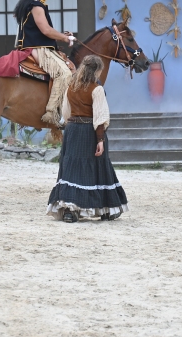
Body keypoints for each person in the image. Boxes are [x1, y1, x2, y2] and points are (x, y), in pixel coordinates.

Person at [46, 55, 129, 222]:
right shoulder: (97, 89)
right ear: (97, 71)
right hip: (89, 132)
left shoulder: (70, 88)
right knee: (97, 167)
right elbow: (100, 117)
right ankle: (105, 209)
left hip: (72, 131)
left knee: (72, 168)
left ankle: (70, 210)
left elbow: (66, 114)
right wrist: (100, 140)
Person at [13, 0, 73, 127]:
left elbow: (46, 30)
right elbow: (46, 30)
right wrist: (65, 38)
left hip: (40, 46)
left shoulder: (34, 4)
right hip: (38, 48)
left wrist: (61, 35)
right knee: (64, 73)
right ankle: (51, 113)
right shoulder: (36, 6)